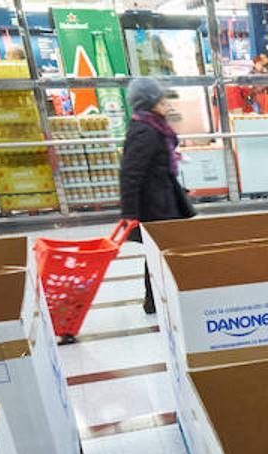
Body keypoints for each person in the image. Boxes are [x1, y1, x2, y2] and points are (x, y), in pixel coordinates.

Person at [120, 76, 194, 315]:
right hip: (153, 206)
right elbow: (130, 174)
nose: (165, 102)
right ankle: (154, 300)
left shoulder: (153, 126)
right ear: (149, 101)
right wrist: (130, 215)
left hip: (163, 199)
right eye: (160, 98)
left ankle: (160, 298)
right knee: (159, 252)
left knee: (161, 250)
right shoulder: (145, 131)